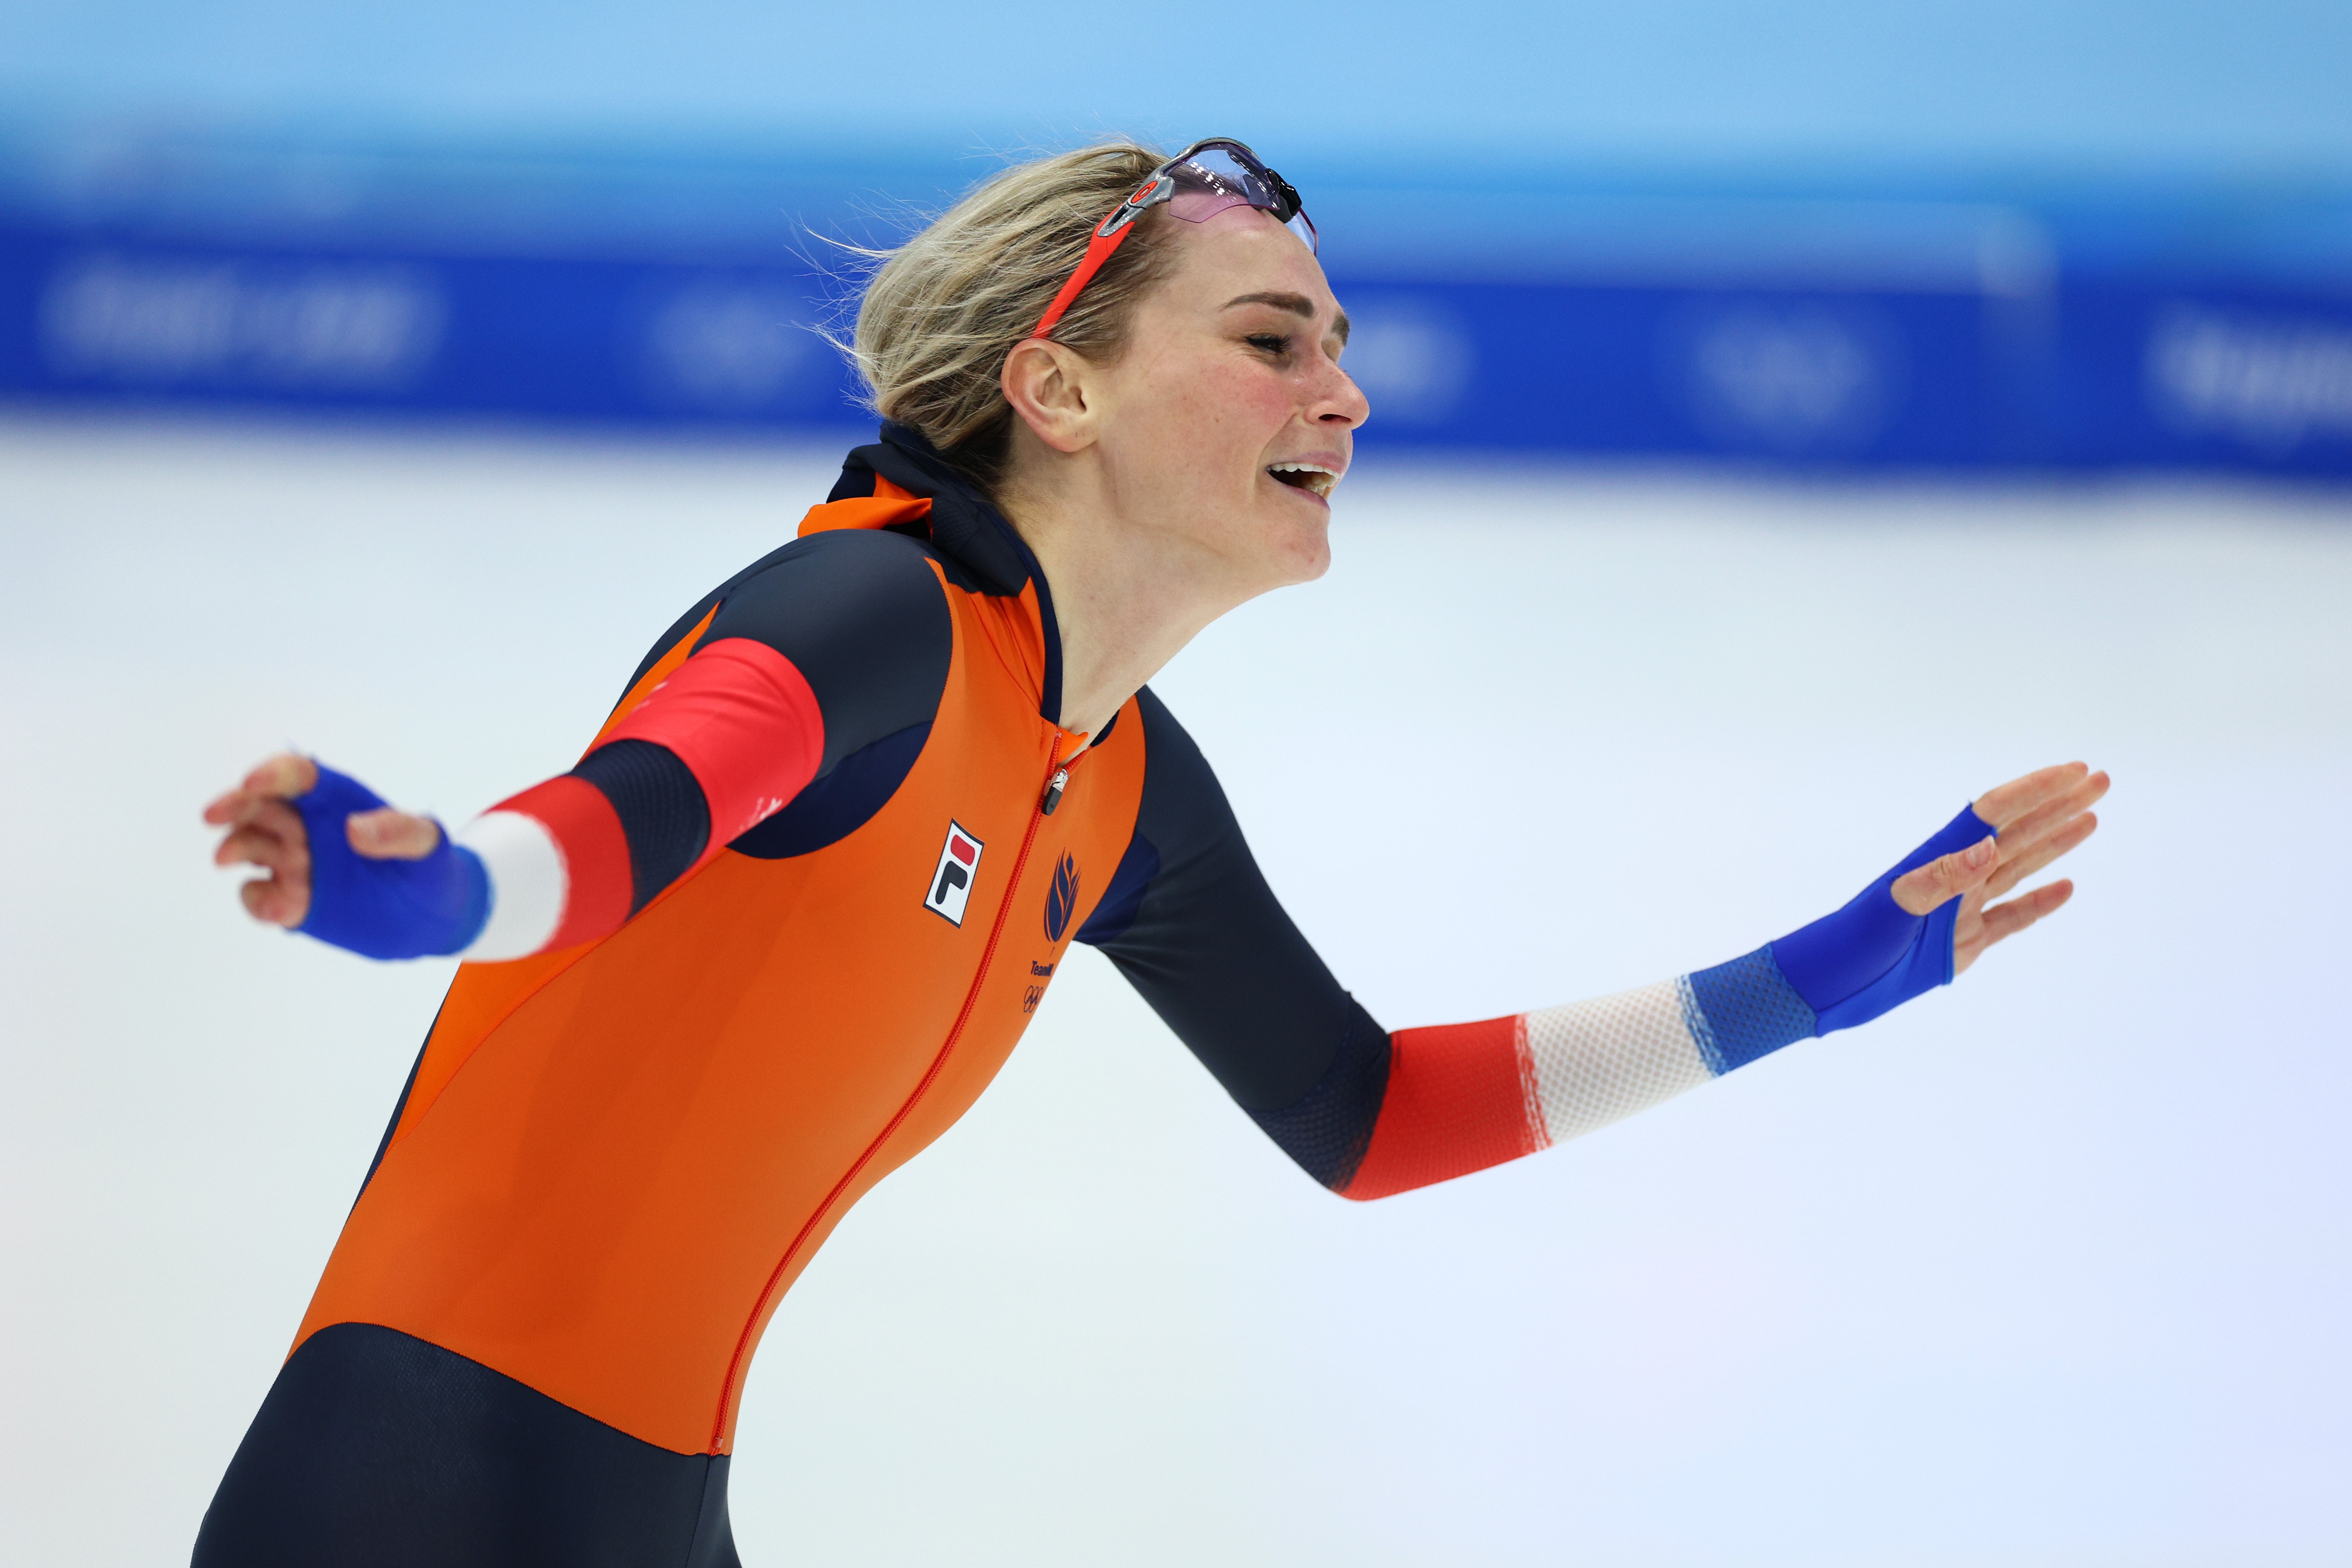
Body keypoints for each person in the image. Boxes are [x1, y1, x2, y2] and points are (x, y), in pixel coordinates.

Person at [193, 139, 2106, 1566]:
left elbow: (1363, 1110)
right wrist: (418, 884)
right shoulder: (867, 613)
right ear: (1059, 388)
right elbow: (600, 838)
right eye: (1274, 341)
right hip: (405, 1490)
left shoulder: (1107, 776)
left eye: (1340, 348)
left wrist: (1828, 975)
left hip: (643, 1508)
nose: (1342, 394)